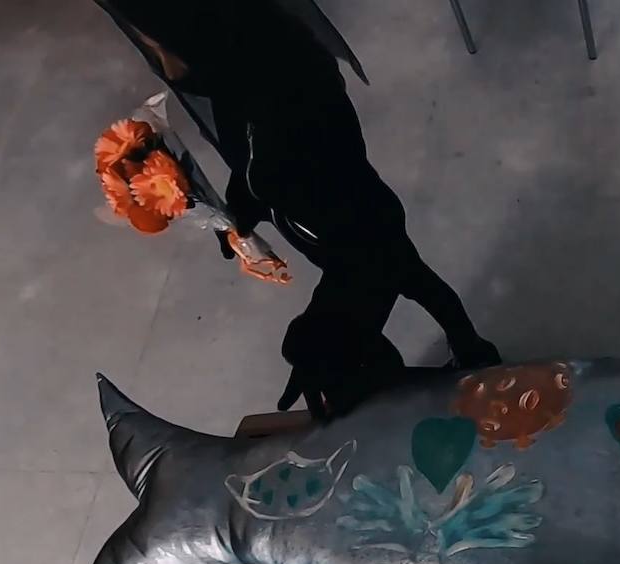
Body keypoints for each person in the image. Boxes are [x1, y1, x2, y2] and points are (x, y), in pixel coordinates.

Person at [96, 0, 501, 418]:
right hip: (339, 226)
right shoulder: (243, 76)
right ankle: (462, 350)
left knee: (326, 338)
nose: (164, 66)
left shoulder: (286, 106)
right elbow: (249, 167)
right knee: (412, 283)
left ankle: (410, 385)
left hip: (357, 239)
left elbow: (266, 174)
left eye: (164, 50)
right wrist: (233, 215)